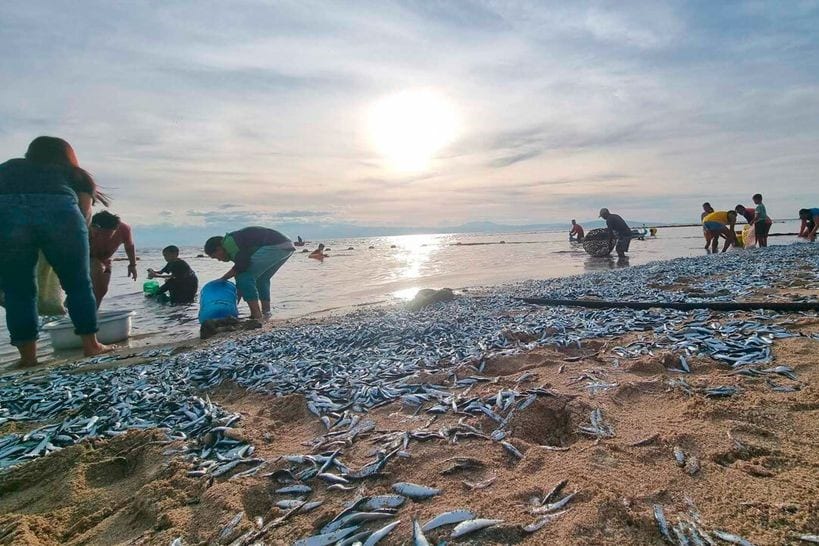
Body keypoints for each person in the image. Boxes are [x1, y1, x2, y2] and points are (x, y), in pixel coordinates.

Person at [0, 136, 113, 365]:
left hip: (7, 214)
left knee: (18, 290)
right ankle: (91, 345)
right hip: (61, 214)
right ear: (67, 155)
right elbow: (84, 214)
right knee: (78, 284)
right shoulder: (74, 175)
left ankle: (28, 357)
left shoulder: (7, 168)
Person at [204, 226, 295, 320]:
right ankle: (266, 312)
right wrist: (233, 304)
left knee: (244, 276)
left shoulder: (229, 244)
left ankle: (256, 315)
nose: (219, 260)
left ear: (219, 249)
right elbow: (241, 270)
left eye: (216, 257)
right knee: (261, 279)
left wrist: (222, 279)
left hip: (275, 246)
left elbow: (242, 266)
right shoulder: (234, 244)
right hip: (286, 245)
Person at [89, 211, 137, 307]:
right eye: (102, 235)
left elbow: (129, 246)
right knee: (93, 279)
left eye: (109, 235)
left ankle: (93, 315)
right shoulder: (85, 227)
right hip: (86, 258)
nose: (106, 238)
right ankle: (75, 311)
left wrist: (132, 265)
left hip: (106, 260)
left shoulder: (124, 229)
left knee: (102, 290)